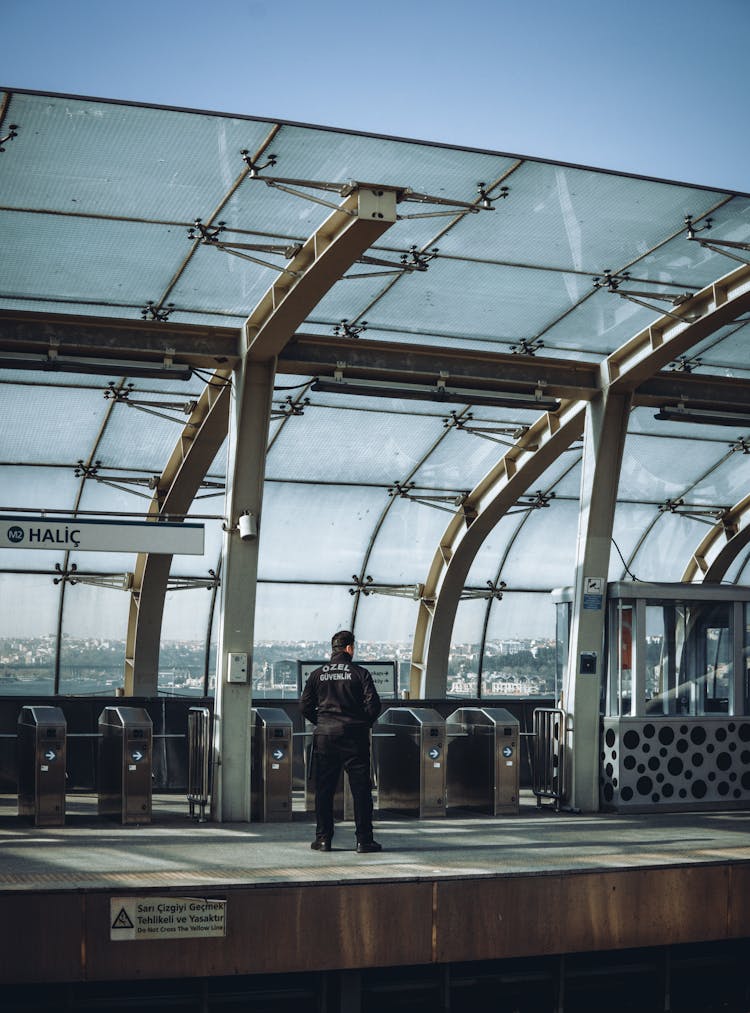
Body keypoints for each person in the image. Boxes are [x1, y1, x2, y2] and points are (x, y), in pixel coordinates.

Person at [300, 630, 382, 853]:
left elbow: (304, 706)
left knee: (324, 790)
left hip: (325, 737)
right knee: (361, 791)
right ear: (349, 648)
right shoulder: (360, 673)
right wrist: (360, 723)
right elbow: (374, 706)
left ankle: (323, 839)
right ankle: (364, 840)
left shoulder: (318, 674)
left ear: (333, 649)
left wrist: (323, 721)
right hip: (354, 737)